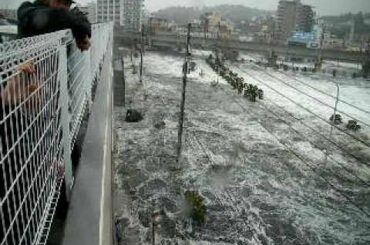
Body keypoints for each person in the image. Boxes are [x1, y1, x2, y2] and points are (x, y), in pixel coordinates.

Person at [17, 0, 91, 51]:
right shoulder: (27, 8)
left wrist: (82, 35)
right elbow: (58, 16)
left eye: (67, 3)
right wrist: (80, 31)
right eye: (59, 1)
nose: (63, 6)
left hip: (56, 68)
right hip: (30, 66)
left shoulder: (66, 17)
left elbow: (82, 18)